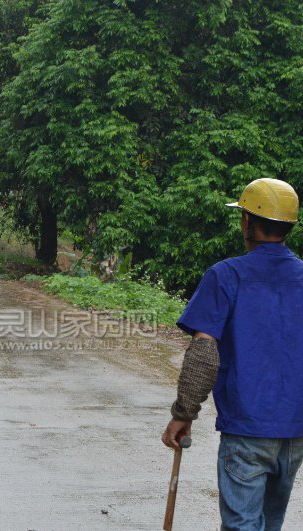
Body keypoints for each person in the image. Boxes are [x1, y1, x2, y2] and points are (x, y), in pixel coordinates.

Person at [161, 178, 303, 530]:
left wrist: (184, 412)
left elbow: (204, 354)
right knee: (270, 523)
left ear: (247, 223)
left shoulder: (226, 275)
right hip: (295, 431)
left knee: (242, 525)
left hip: (247, 429)